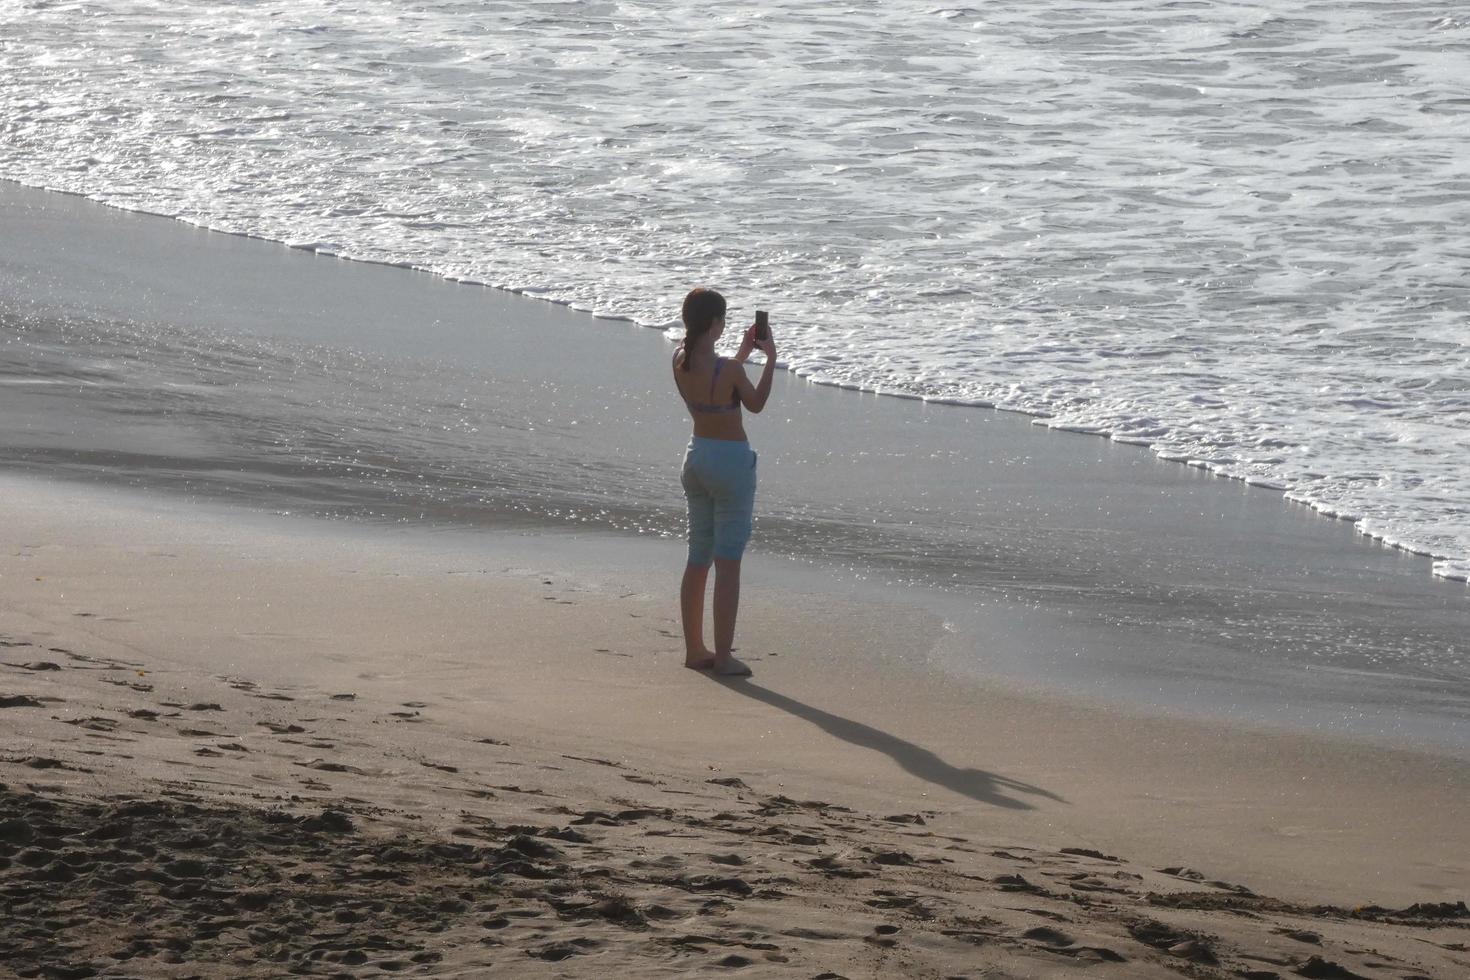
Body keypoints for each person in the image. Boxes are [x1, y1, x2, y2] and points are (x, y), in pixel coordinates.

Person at [672, 287, 777, 676]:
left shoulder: (679, 360)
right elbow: (755, 402)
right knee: (728, 561)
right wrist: (770, 361)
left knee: (698, 555)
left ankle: (694, 649)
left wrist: (743, 354)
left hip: (697, 456)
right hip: (730, 463)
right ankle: (723, 655)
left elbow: (717, 382)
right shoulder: (729, 371)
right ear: (715, 323)